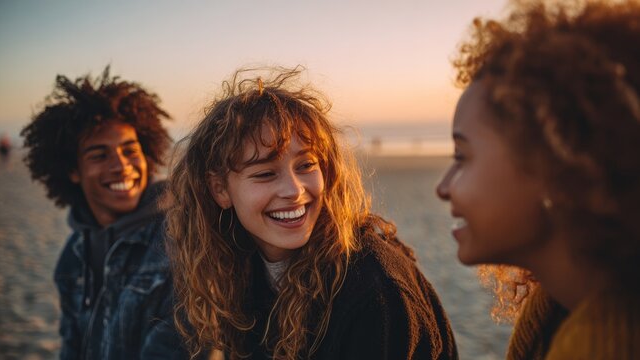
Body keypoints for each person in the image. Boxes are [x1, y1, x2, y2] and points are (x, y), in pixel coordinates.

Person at [165, 67, 458, 360]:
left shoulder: (373, 290)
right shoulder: (237, 267)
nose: (294, 190)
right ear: (220, 190)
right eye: (266, 173)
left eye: (306, 166)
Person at [436, 1, 640, 359]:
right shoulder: (554, 310)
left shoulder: (608, 345)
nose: (443, 187)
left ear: (555, 171)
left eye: (461, 157)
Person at [21, 66, 189, 359]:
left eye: (130, 151)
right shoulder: (72, 256)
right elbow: (72, 347)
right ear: (73, 170)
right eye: (99, 155)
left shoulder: (180, 242)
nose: (121, 165)